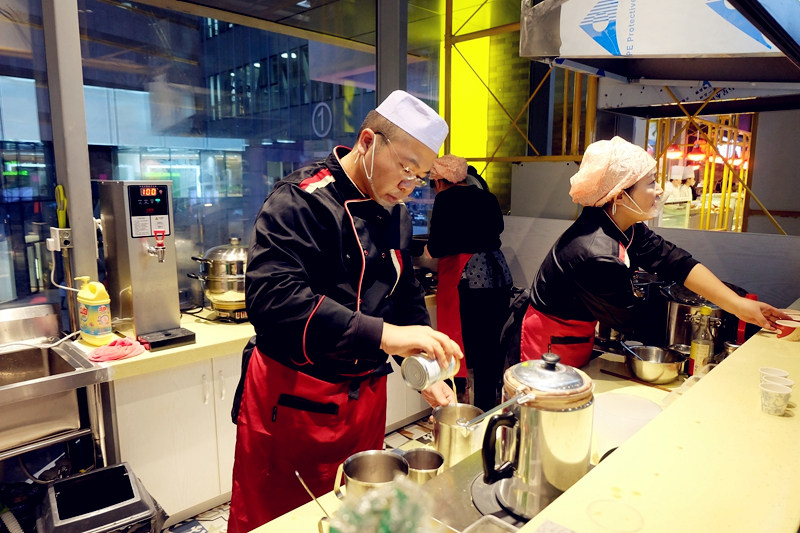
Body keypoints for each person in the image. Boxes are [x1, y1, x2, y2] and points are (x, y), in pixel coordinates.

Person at [229, 90, 463, 533]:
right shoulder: (300, 200)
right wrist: (384, 336)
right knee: (281, 521)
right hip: (295, 401)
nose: (408, 186)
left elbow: (403, 293)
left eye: (420, 176)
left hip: (362, 404)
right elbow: (273, 299)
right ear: (368, 141)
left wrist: (424, 368)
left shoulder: (394, 210)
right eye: (406, 168)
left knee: (356, 517)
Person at [518, 136, 788, 367]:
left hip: (575, 335)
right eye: (650, 183)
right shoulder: (597, 251)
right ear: (619, 196)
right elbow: (631, 320)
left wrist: (738, 305)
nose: (659, 190)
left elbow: (675, 261)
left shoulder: (625, 225)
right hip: (550, 345)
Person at [425, 155, 512, 411]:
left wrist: (429, 249)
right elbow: (497, 229)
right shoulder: (488, 196)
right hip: (497, 273)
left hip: (468, 277)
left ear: (441, 180)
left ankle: (457, 410)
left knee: (460, 347)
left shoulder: (446, 199)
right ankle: (486, 409)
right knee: (489, 349)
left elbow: (438, 245)